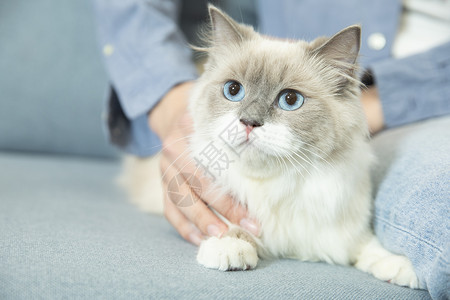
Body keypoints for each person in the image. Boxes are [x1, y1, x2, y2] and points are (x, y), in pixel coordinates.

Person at [94, 0, 450, 298]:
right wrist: (168, 102)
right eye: (233, 90)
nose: (251, 118)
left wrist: (388, 97)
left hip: (431, 101)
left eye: (290, 99)